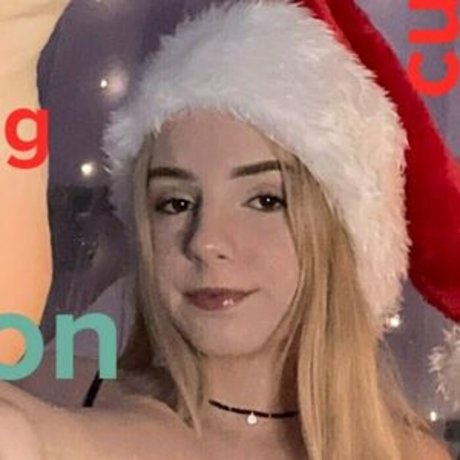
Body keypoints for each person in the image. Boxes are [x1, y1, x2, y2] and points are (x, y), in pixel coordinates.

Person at [0, 0, 458, 459]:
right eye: (175, 203)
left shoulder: (409, 454)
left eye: (265, 201)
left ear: (340, 234)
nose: (205, 241)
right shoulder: (59, 392)